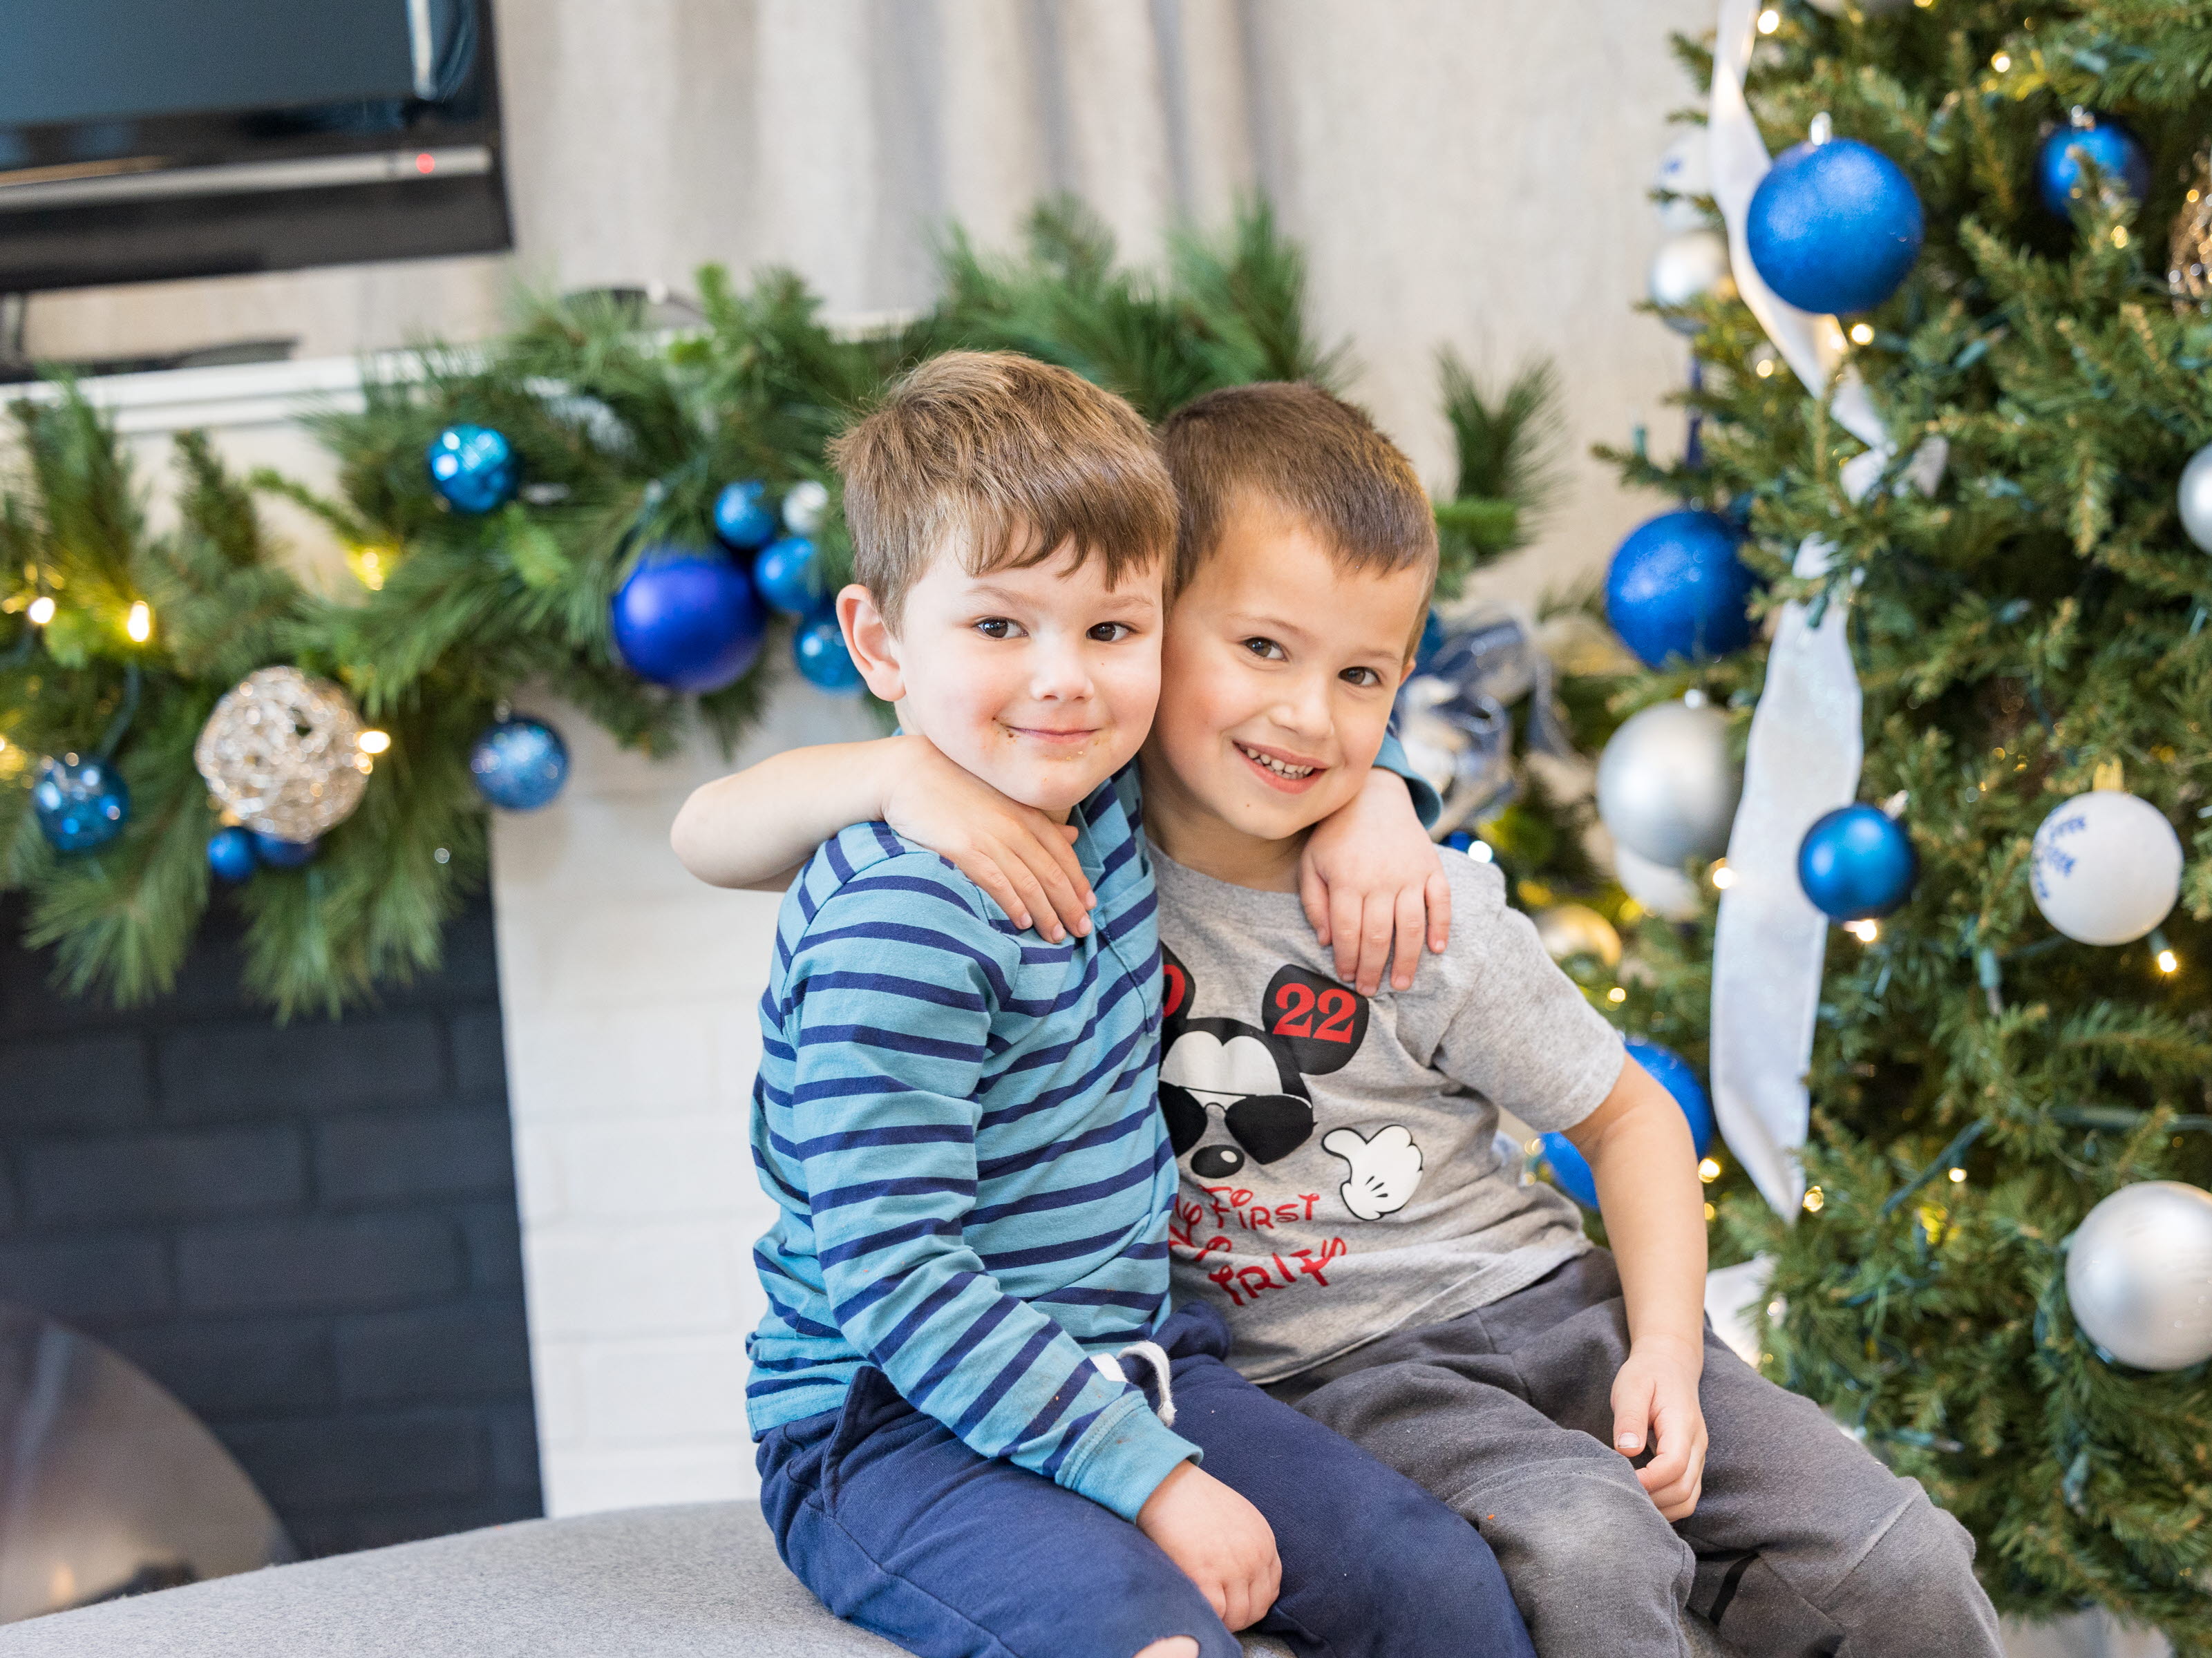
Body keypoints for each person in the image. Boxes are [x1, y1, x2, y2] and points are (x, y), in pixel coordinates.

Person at [684, 374, 2006, 1657]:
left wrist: (1669, 1344)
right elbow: (715, 832)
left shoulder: (1381, 889)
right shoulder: (1051, 825)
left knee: (1902, 1558)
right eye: (1259, 648)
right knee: (1586, 1547)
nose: (1307, 715)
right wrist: (897, 771)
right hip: (1310, 1371)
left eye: (1363, 678)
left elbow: (1623, 1111)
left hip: (1532, 1296)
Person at [684, 352, 1534, 1658]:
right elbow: (895, 1279)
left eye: (1111, 629)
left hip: (1140, 1359)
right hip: (890, 1425)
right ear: (878, 642)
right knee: (1153, 1638)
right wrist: (1150, 1481)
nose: (1064, 679)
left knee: (1432, 1580)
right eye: (999, 626)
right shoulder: (902, 920)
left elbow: (1297, 724)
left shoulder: (1107, 803)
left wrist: (1378, 799)